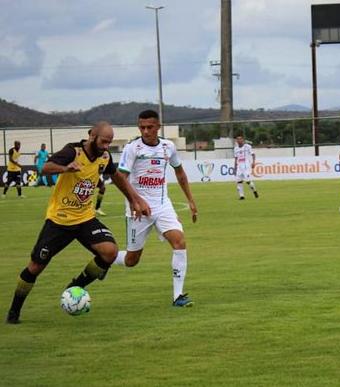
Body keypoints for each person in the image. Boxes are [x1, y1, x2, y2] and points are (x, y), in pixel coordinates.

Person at [5, 122, 151, 324]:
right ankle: (14, 311)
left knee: (109, 251)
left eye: (109, 142)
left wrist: (135, 200)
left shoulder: (104, 157)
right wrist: (65, 168)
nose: (107, 146)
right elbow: (45, 168)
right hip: (60, 220)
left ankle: (76, 286)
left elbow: (116, 176)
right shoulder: (72, 151)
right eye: (104, 141)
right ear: (92, 136)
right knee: (35, 266)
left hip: (85, 219)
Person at [113, 109, 198, 308]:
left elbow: (180, 173)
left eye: (150, 127)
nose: (145, 131)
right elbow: (121, 179)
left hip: (162, 206)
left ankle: (178, 296)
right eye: (142, 127)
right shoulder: (132, 148)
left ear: (158, 127)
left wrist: (191, 201)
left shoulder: (168, 147)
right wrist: (134, 201)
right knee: (132, 260)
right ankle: (107, 256)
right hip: (138, 210)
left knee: (179, 241)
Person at [233, 134, 259, 200]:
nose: (239, 140)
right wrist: (235, 167)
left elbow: (253, 154)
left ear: (243, 140)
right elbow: (236, 158)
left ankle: (254, 191)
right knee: (239, 181)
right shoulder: (236, 148)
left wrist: (253, 162)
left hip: (246, 167)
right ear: (236, 141)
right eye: (237, 139)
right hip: (239, 167)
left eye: (240, 139)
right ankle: (242, 196)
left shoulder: (247, 147)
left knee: (248, 181)